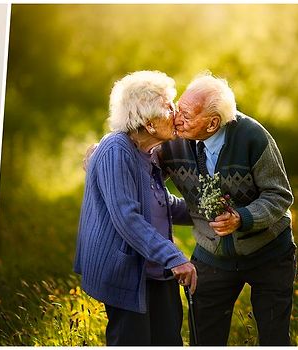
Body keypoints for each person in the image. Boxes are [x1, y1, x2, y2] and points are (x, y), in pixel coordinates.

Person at [159, 73, 295, 345]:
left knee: (274, 338)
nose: (177, 118)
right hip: (211, 256)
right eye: (178, 108)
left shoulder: (252, 137)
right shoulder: (173, 141)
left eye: (186, 114)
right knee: (204, 339)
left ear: (212, 123)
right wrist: (106, 153)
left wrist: (242, 218)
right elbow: (141, 172)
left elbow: (279, 195)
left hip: (268, 252)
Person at [74, 71, 197, 346]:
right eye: (168, 105)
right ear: (149, 123)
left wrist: (203, 212)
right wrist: (174, 256)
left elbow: (158, 203)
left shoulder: (147, 152)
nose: (175, 111)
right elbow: (128, 218)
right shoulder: (116, 151)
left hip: (155, 268)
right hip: (127, 270)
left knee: (169, 340)